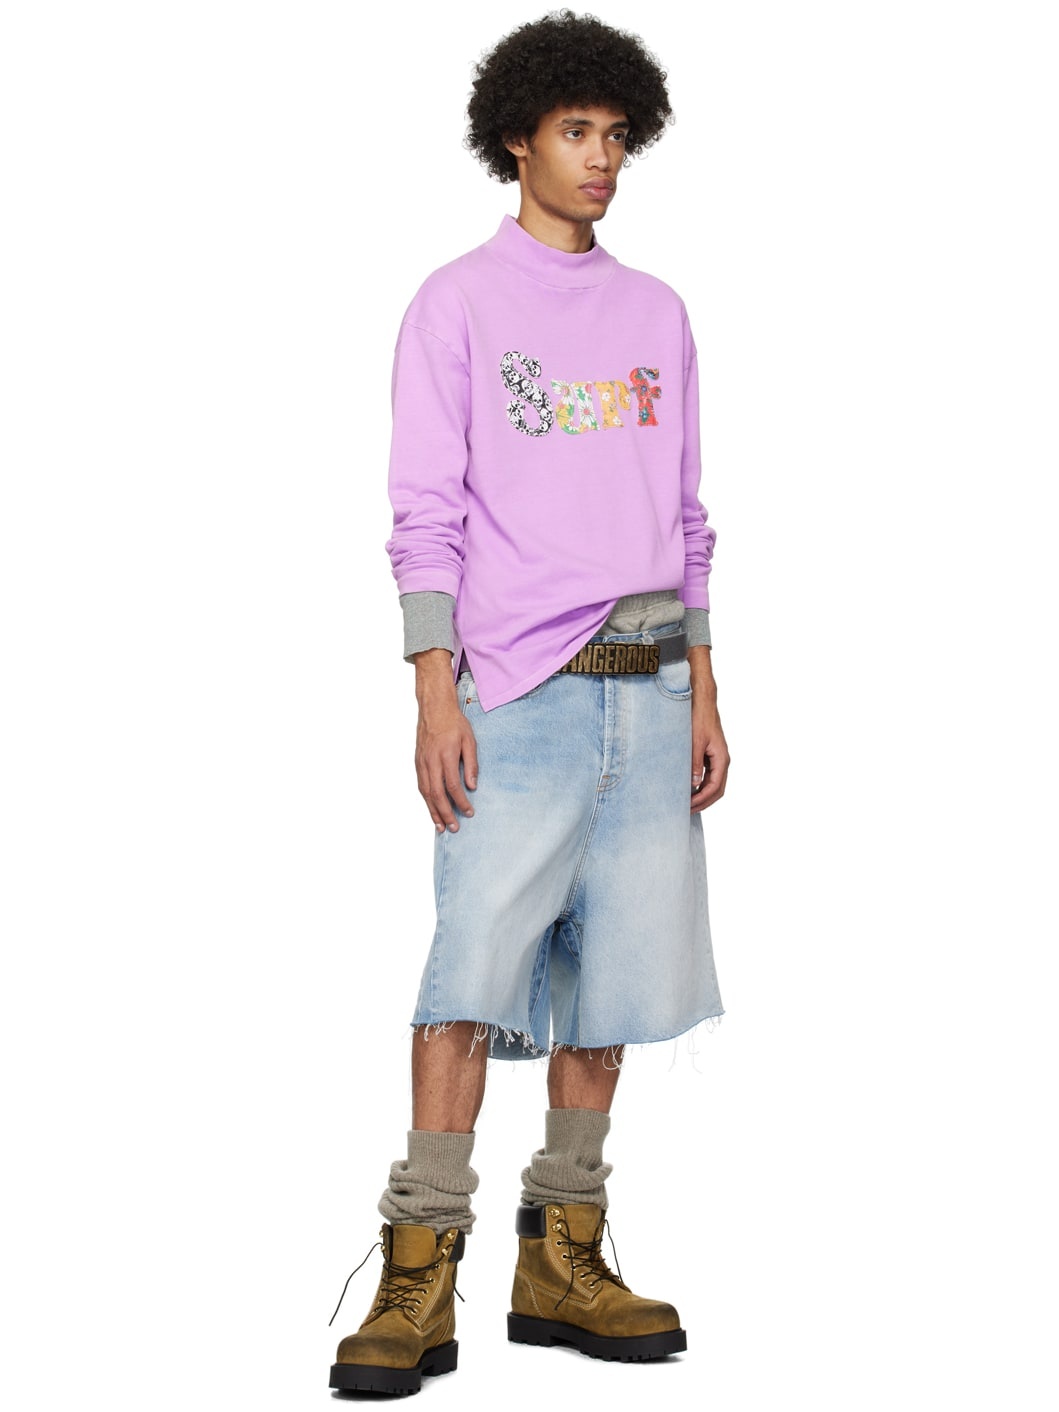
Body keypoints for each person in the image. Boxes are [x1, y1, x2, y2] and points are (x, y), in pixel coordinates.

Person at [329, 9, 729, 1395]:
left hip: (650, 683)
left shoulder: (659, 313)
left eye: (617, 136)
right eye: (575, 133)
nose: (601, 159)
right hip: (518, 689)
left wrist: (705, 686)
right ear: (517, 139)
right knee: (471, 977)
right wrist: (434, 692)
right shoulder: (457, 304)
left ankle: (563, 1259)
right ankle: (418, 1273)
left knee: (610, 983)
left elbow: (685, 517)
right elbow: (423, 513)